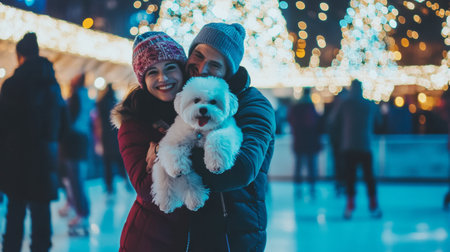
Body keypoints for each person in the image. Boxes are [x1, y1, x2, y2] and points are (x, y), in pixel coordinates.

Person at [186, 22, 276, 252]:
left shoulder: (254, 106)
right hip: (190, 233)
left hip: (232, 234)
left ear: (229, 71)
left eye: (214, 65)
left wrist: (171, 157)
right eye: (198, 55)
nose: (203, 68)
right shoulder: (188, 97)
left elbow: (242, 169)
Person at [111, 31, 190, 251]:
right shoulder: (133, 123)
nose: (163, 78)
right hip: (150, 239)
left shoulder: (196, 111)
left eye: (170, 68)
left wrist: (162, 153)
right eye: (152, 72)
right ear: (143, 80)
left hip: (191, 237)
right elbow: (147, 190)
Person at [0, 32, 69, 251]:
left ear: (20, 55)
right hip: (44, 158)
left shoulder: (12, 84)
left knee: (15, 212)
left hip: (16, 158)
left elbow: (4, 125)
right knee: (41, 213)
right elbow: (63, 124)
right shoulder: (53, 84)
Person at [329, 79, 382, 219]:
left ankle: (349, 207)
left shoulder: (344, 103)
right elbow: (379, 122)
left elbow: (332, 121)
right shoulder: (369, 104)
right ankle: (373, 206)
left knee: (350, 178)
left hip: (348, 146)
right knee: (369, 178)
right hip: (365, 145)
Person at [59, 73, 93, 235]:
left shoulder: (75, 98)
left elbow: (68, 121)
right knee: (74, 179)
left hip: (73, 143)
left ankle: (82, 213)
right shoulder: (85, 96)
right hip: (81, 141)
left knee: (76, 180)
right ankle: (77, 208)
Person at [288, 87, 322, 197]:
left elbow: (291, 123)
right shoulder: (311, 107)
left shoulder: (295, 108)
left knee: (298, 165)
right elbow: (315, 125)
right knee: (311, 166)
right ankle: (312, 188)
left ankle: (298, 189)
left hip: (299, 141)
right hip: (310, 142)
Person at [96, 83, 128, 195]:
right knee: (120, 162)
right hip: (115, 136)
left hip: (106, 136)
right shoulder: (114, 102)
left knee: (108, 164)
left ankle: (109, 187)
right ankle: (127, 183)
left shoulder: (101, 103)